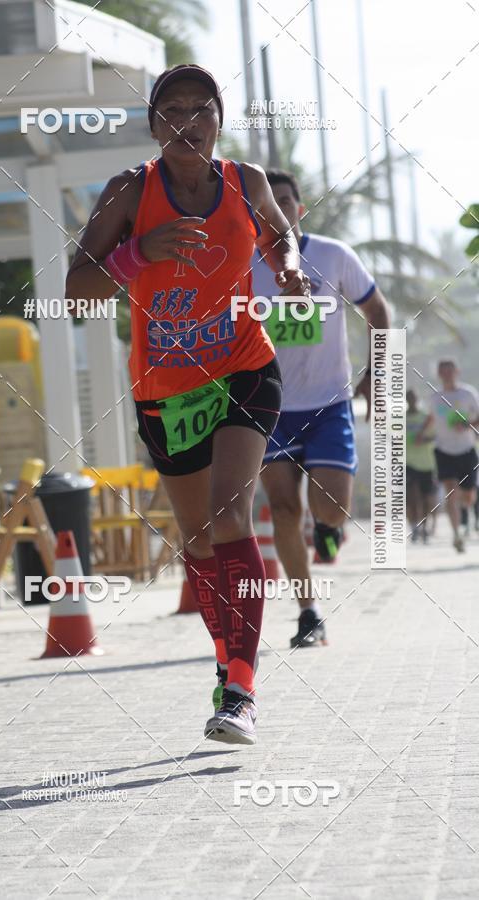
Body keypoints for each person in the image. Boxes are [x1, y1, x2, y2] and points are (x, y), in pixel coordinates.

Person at [65, 65, 310, 744]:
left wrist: (285, 261)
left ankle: (240, 688)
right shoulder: (128, 192)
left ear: (218, 120)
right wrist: (137, 253)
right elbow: (77, 289)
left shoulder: (246, 181)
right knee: (199, 538)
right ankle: (228, 664)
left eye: (199, 109)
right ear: (153, 124)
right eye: (170, 110)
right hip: (166, 386)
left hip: (243, 367)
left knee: (235, 514)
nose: (185, 122)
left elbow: (277, 233)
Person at [251, 170, 391, 648]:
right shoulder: (242, 267)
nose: (279, 210)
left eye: (286, 201)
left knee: (330, 508)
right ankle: (309, 613)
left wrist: (377, 375)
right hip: (267, 406)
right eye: (268, 204)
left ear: (299, 207)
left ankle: (329, 530)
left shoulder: (332, 255)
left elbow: (379, 312)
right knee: (284, 509)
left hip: (330, 402)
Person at [419, 360, 479, 552]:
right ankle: (456, 534)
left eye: (450, 371)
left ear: (457, 372)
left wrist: (467, 425)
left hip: (467, 450)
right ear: (438, 374)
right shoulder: (434, 397)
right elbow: (431, 417)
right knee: (450, 492)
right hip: (443, 450)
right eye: (443, 372)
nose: (447, 375)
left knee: (468, 496)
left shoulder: (468, 394)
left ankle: (466, 508)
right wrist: (422, 433)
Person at [405, 389, 436, 543]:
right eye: (408, 398)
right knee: (411, 498)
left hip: (426, 463)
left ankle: (425, 528)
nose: (411, 400)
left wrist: (423, 439)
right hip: (407, 462)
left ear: (417, 399)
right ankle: (414, 527)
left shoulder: (426, 417)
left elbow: (434, 435)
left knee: (426, 499)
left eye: (413, 397)